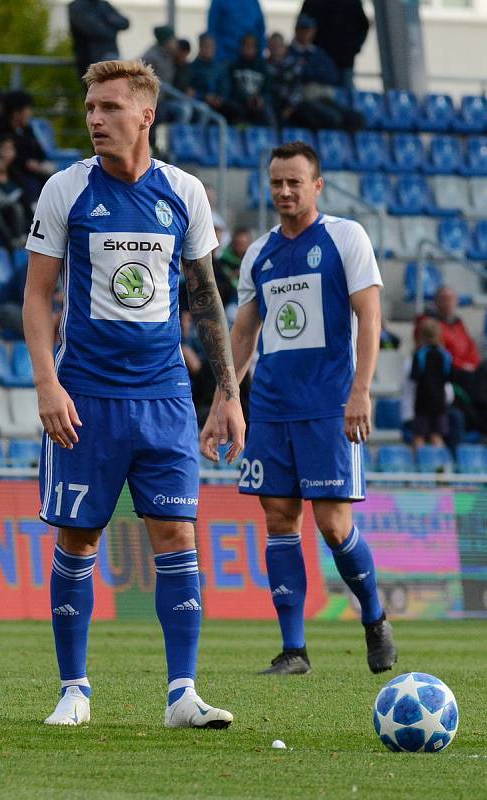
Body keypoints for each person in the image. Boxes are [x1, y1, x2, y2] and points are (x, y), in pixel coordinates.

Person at [23, 59, 245, 728]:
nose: (95, 118)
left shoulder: (183, 192)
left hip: (167, 398)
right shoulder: (66, 190)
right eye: (91, 106)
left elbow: (205, 299)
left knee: (177, 533)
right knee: (79, 540)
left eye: (110, 107)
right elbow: (36, 299)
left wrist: (227, 396)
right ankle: (74, 690)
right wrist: (46, 383)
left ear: (144, 115)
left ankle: (182, 693)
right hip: (85, 397)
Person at [201, 141, 397, 676]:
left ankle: (375, 618)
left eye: (294, 182)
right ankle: (294, 650)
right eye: (276, 183)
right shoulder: (259, 254)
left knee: (334, 526)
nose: (284, 191)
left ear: (317, 185)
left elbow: (371, 317)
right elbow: (243, 334)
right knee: (279, 518)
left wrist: (361, 391)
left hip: (329, 407)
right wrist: (225, 399)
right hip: (271, 408)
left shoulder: (345, 237)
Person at [299, 0, 369, 89]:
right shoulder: (312, 2)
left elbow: (363, 26)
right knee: (319, 96)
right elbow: (302, 27)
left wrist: (354, 48)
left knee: (346, 96)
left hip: (344, 62)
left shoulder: (353, 2)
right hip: (318, 62)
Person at [410, 318, 453, 449]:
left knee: (419, 436)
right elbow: (449, 377)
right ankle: (437, 464)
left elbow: (414, 376)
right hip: (439, 401)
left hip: (422, 400)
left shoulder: (420, 354)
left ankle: (419, 464)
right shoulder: (445, 355)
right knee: (437, 436)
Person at [416, 286, 480, 372]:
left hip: (467, 369)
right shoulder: (428, 323)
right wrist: (461, 365)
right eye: (444, 298)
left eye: (451, 298)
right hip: (445, 370)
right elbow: (436, 353)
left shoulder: (458, 323)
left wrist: (474, 364)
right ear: (436, 301)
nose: (448, 302)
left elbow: (470, 347)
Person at [68, 0, 130, 79]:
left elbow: (125, 23)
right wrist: (111, 23)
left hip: (112, 57)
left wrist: (106, 20)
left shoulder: (103, 4)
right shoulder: (77, 6)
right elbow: (95, 30)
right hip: (89, 61)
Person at [227, 34, 275, 127]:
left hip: (258, 104)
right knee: (234, 110)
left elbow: (268, 90)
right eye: (246, 46)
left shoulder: (263, 68)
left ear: (256, 48)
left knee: (268, 112)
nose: (248, 49)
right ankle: (239, 137)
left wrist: (262, 99)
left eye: (251, 46)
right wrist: (245, 99)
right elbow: (230, 89)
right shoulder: (233, 66)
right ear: (241, 47)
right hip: (239, 103)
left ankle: (273, 138)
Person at [207, 0, 266, 66]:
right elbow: (212, 30)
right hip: (226, 59)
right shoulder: (219, 2)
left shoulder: (253, 2)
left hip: (250, 60)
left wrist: (259, 55)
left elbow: (261, 30)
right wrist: (220, 56)